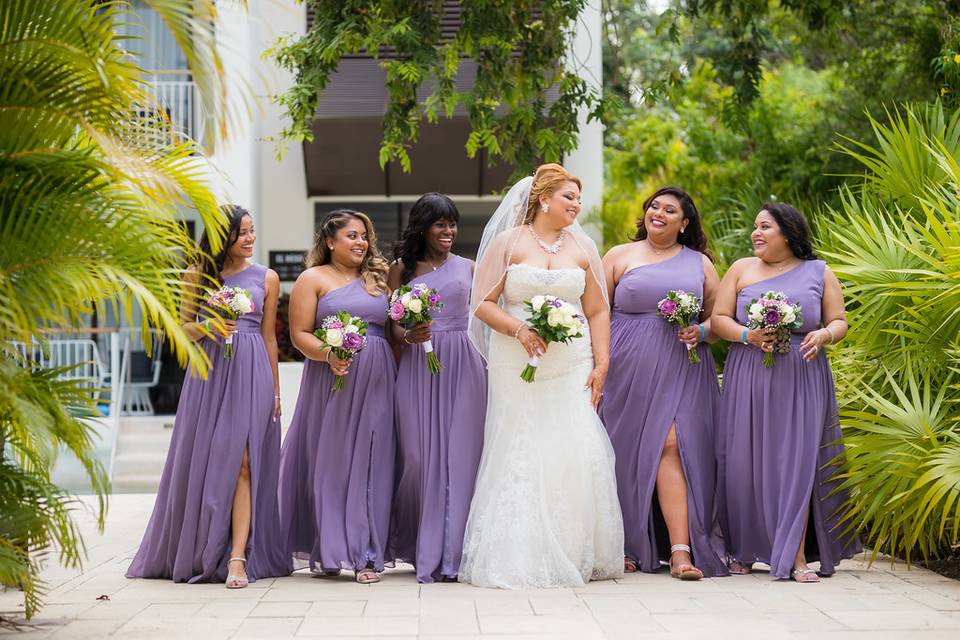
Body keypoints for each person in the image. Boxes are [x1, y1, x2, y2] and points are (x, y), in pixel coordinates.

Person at [459, 164, 624, 589]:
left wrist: (602, 362)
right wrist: (520, 329)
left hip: (573, 361)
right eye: (569, 197)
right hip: (516, 359)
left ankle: (573, 548)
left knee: (575, 440)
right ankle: (521, 546)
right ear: (544, 199)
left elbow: (597, 309)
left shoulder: (583, 247)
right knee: (521, 440)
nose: (576, 206)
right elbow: (482, 302)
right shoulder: (507, 243)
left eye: (578, 199)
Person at [127, 205, 290, 587]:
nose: (250, 239)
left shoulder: (267, 277)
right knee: (213, 462)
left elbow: (269, 337)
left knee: (246, 463)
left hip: (252, 374)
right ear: (223, 238)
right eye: (243, 233)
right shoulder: (196, 276)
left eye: (252, 231)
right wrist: (209, 325)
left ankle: (237, 558)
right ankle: (205, 546)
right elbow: (182, 330)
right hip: (210, 376)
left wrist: (276, 391)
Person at [712, 203, 862, 582]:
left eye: (765, 227)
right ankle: (744, 549)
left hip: (802, 373)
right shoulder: (740, 269)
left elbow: (840, 320)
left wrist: (825, 334)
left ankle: (794, 555)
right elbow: (719, 319)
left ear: (788, 233)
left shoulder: (819, 272)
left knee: (795, 462)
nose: (755, 234)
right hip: (749, 373)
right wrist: (749, 335)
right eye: (755, 227)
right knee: (745, 461)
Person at [600, 187, 727, 579]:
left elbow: (718, 321)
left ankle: (680, 551)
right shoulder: (618, 257)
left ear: (684, 223)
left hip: (681, 367)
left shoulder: (700, 265)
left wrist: (700, 332)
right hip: (625, 369)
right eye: (654, 206)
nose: (659, 212)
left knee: (672, 445)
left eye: (670, 210)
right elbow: (596, 313)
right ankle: (625, 546)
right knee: (622, 452)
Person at [277, 209, 395, 584]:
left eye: (364, 236)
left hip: (379, 377)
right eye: (352, 236)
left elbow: (393, 333)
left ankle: (365, 554)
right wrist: (329, 354)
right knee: (332, 463)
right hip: (331, 378)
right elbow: (300, 334)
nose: (361, 242)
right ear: (330, 241)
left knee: (373, 463)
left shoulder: (378, 279)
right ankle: (331, 549)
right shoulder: (312, 279)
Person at [387, 193, 487, 583]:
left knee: (461, 457)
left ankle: (454, 555)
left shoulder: (470, 267)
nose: (448, 231)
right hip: (417, 366)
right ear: (423, 227)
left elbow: (486, 316)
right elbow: (393, 325)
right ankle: (422, 547)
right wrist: (410, 335)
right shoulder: (401, 270)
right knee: (419, 458)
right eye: (440, 224)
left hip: (464, 362)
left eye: (452, 224)